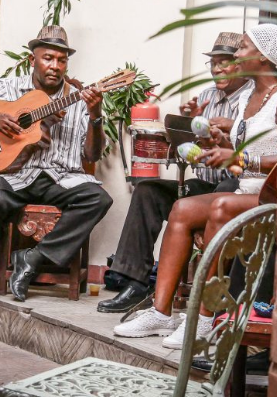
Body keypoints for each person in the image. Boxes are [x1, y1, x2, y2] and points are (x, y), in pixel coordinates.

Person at [113, 23, 277, 348]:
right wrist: (218, 141)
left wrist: (239, 158)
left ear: (264, 57)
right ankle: (160, 312)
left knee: (221, 206)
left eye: (244, 47)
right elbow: (240, 146)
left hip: (274, 196)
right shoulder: (248, 96)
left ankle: (204, 319)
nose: (237, 54)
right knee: (181, 208)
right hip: (245, 192)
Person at [0, 25, 113, 301]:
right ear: (32, 59)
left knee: (98, 199)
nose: (55, 66)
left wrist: (95, 113)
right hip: (16, 174)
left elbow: (93, 155)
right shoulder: (10, 87)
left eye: (61, 60)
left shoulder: (79, 96)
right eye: (48, 58)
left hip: (62, 177)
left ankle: (34, 258)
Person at [96, 32, 253, 313]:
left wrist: (232, 128)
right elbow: (192, 149)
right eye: (213, 63)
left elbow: (256, 149)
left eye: (224, 62)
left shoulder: (254, 99)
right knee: (148, 191)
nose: (217, 69)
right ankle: (134, 281)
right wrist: (185, 126)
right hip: (205, 183)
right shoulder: (206, 95)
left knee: (223, 190)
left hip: (238, 186)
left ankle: (209, 302)